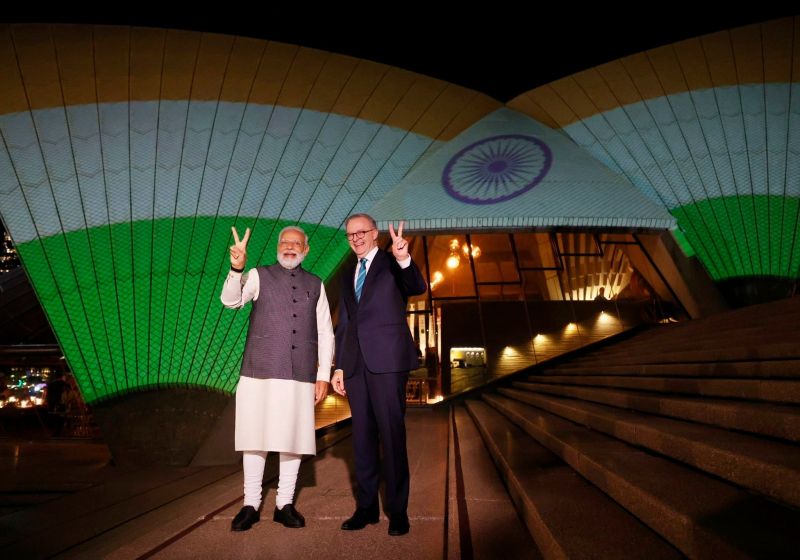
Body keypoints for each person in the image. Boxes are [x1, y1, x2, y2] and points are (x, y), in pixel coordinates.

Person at [221, 225, 334, 532]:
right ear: (277, 247)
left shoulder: (316, 283)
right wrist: (237, 267)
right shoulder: (258, 275)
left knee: (292, 439)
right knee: (254, 439)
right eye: (285, 242)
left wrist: (323, 374)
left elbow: (325, 331)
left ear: (306, 250)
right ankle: (251, 504)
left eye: (296, 243)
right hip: (258, 371)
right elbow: (230, 301)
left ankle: (284, 504)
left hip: (300, 374)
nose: (289, 247)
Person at [331, 214, 427, 536]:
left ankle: (398, 511)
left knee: (392, 435)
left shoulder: (391, 262)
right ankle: (366, 507)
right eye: (350, 235)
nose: (356, 238)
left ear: (374, 234)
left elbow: (417, 286)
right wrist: (340, 366)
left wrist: (404, 258)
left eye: (362, 232)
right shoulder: (347, 271)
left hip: (387, 362)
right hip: (356, 366)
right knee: (361, 440)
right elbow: (344, 322)